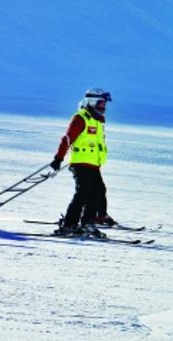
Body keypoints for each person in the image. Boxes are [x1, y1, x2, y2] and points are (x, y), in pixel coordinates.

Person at [50, 88, 115, 236]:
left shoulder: (98, 121)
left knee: (98, 192)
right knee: (83, 193)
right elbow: (67, 139)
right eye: (101, 103)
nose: (103, 107)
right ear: (92, 102)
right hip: (80, 164)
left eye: (105, 104)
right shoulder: (81, 118)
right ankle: (69, 225)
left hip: (93, 165)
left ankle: (88, 224)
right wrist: (59, 158)